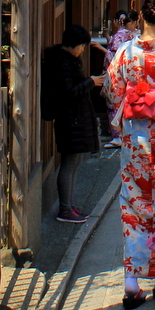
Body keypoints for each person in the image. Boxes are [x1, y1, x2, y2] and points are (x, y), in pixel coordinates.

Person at [104, 0, 155, 309]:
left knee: (133, 202)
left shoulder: (124, 52)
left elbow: (111, 92)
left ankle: (131, 282)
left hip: (135, 139)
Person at [44, 24, 105, 223]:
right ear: (73, 44)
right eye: (81, 45)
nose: (82, 49)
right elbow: (68, 92)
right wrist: (91, 82)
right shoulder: (62, 63)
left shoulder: (68, 60)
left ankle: (69, 205)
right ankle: (65, 208)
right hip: (69, 118)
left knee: (75, 162)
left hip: (75, 118)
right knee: (69, 164)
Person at [100, 11, 139, 149]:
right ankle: (128, 134)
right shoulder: (137, 35)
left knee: (114, 105)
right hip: (133, 75)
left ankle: (117, 136)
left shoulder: (120, 35)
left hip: (118, 75)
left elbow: (113, 55)